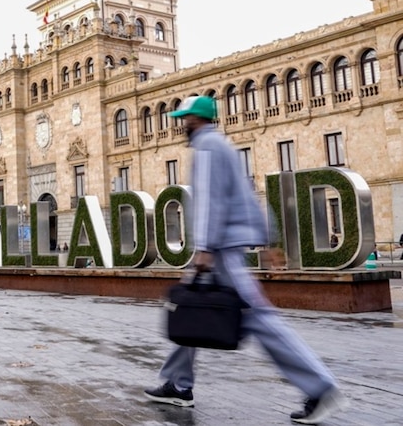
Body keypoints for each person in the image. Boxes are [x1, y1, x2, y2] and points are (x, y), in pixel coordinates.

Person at [144, 96, 348, 424]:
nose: (183, 124)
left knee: (259, 318)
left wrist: (206, 248)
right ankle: (178, 384)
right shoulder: (222, 146)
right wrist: (267, 240)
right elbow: (248, 194)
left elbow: (209, 199)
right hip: (224, 246)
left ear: (198, 119)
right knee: (190, 307)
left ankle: (321, 387)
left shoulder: (208, 147)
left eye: (187, 118)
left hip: (221, 250)